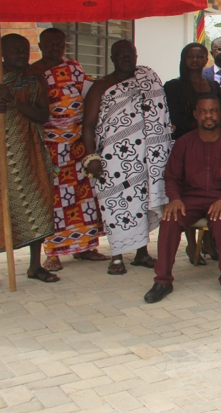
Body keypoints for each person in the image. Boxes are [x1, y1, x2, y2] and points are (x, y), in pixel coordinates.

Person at [144, 95, 221, 304]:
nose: (208, 116)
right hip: (190, 199)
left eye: (212, 111)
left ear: (220, 114)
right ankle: (163, 281)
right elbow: (172, 177)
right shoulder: (184, 143)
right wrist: (174, 199)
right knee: (169, 220)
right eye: (203, 111)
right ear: (196, 115)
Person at [82, 40, 171, 275]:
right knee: (115, 207)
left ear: (136, 55)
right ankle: (117, 256)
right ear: (112, 57)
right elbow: (89, 124)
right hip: (111, 160)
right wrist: (90, 157)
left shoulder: (147, 81)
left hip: (144, 158)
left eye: (130, 54)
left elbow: (159, 116)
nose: (126, 58)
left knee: (140, 205)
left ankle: (142, 253)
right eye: (120, 55)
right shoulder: (101, 86)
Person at [30, 27, 108, 271]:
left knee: (84, 197)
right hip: (49, 145)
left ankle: (85, 247)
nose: (56, 48)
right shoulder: (32, 72)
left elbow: (88, 93)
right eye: (51, 44)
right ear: (41, 46)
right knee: (54, 200)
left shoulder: (73, 67)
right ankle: (52, 252)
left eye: (60, 44)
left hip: (76, 144)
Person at [0, 34, 58, 286]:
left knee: (38, 205)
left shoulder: (35, 78)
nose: (22, 54)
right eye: (15, 50)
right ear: (1, 52)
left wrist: (13, 101)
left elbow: (43, 114)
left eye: (24, 50)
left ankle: (35, 266)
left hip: (28, 150)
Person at [164, 43, 221, 140]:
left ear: (206, 60)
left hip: (211, 136)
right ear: (183, 59)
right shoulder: (172, 86)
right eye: (190, 56)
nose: (195, 60)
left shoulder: (214, 85)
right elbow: (175, 115)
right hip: (183, 138)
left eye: (199, 57)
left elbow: (219, 110)